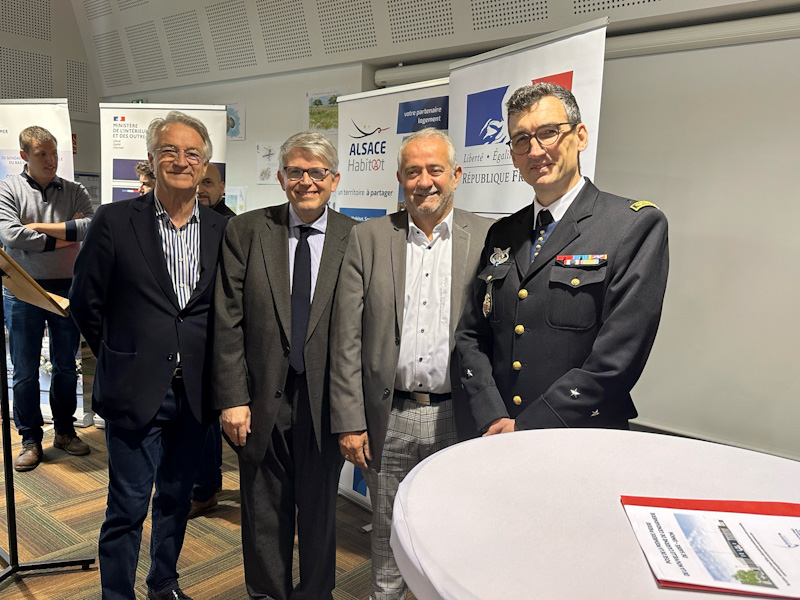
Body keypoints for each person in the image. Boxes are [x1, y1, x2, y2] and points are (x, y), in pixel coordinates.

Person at [69, 111, 227, 600]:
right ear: (152, 161)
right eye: (170, 151)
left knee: (177, 497)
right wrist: (121, 355)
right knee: (128, 504)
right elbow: (85, 302)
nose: (182, 161)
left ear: (205, 165)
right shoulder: (114, 221)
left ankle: (164, 580)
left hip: (195, 391)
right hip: (134, 390)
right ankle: (117, 594)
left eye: (192, 153)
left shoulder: (226, 229)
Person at [330, 128, 492, 600]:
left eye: (435, 170)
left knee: (454, 531)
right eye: (413, 172)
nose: (424, 181)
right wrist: (350, 422)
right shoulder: (369, 237)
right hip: (388, 416)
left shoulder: (486, 237)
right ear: (400, 178)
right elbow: (346, 340)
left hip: (456, 416)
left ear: (456, 175)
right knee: (388, 535)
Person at [455, 83, 669, 435]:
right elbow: (472, 334)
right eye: (521, 140)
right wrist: (491, 412)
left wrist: (527, 427)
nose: (535, 150)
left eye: (548, 133)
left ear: (580, 136)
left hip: (581, 437)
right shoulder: (503, 233)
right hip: (497, 434)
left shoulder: (632, 225)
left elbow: (617, 358)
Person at [213, 131, 355, 600]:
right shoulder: (247, 231)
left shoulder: (356, 238)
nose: (306, 181)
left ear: (334, 180)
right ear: (280, 178)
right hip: (259, 402)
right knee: (263, 514)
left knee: (320, 514)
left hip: (326, 405)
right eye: (296, 171)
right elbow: (228, 320)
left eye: (317, 173)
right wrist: (233, 398)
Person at [0, 125, 93, 472]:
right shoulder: (8, 189)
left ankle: (66, 432)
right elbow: (10, 235)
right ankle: (30, 439)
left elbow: (90, 226)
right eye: (42, 154)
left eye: (54, 153)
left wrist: (39, 229)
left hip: (67, 287)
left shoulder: (74, 190)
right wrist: (66, 235)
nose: (51, 160)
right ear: (24, 156)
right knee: (24, 370)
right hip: (21, 289)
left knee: (66, 366)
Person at [188, 162, 230, 519]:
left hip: (219, 339)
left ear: (222, 186)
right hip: (192, 341)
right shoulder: (185, 222)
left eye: (208, 182)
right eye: (197, 182)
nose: (201, 188)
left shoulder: (232, 227)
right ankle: (206, 486)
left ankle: (204, 489)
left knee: (207, 419)